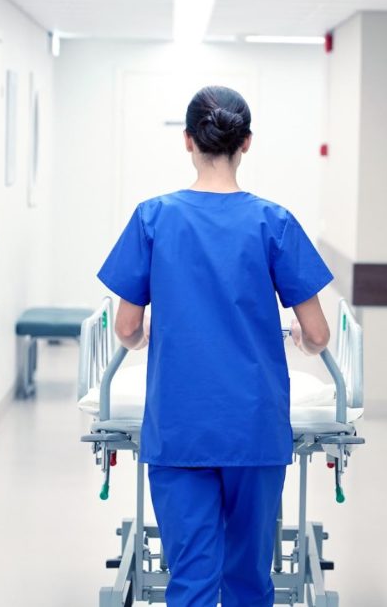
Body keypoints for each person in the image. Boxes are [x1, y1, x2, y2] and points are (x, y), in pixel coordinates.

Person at [96, 85, 334, 607]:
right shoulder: (274, 222)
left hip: (180, 428)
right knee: (250, 579)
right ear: (246, 143)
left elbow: (126, 328)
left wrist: (143, 337)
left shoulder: (152, 218)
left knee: (192, 580)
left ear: (187, 141)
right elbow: (317, 335)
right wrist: (299, 339)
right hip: (253, 428)